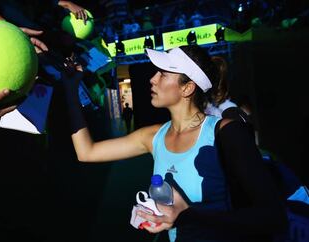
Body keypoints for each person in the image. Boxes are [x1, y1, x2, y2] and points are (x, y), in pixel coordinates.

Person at [61, 45, 288, 241]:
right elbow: (86, 152)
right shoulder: (152, 136)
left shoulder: (226, 132)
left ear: (187, 88)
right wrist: (71, 90)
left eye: (163, 74)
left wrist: (189, 215)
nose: (152, 79)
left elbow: (273, 217)